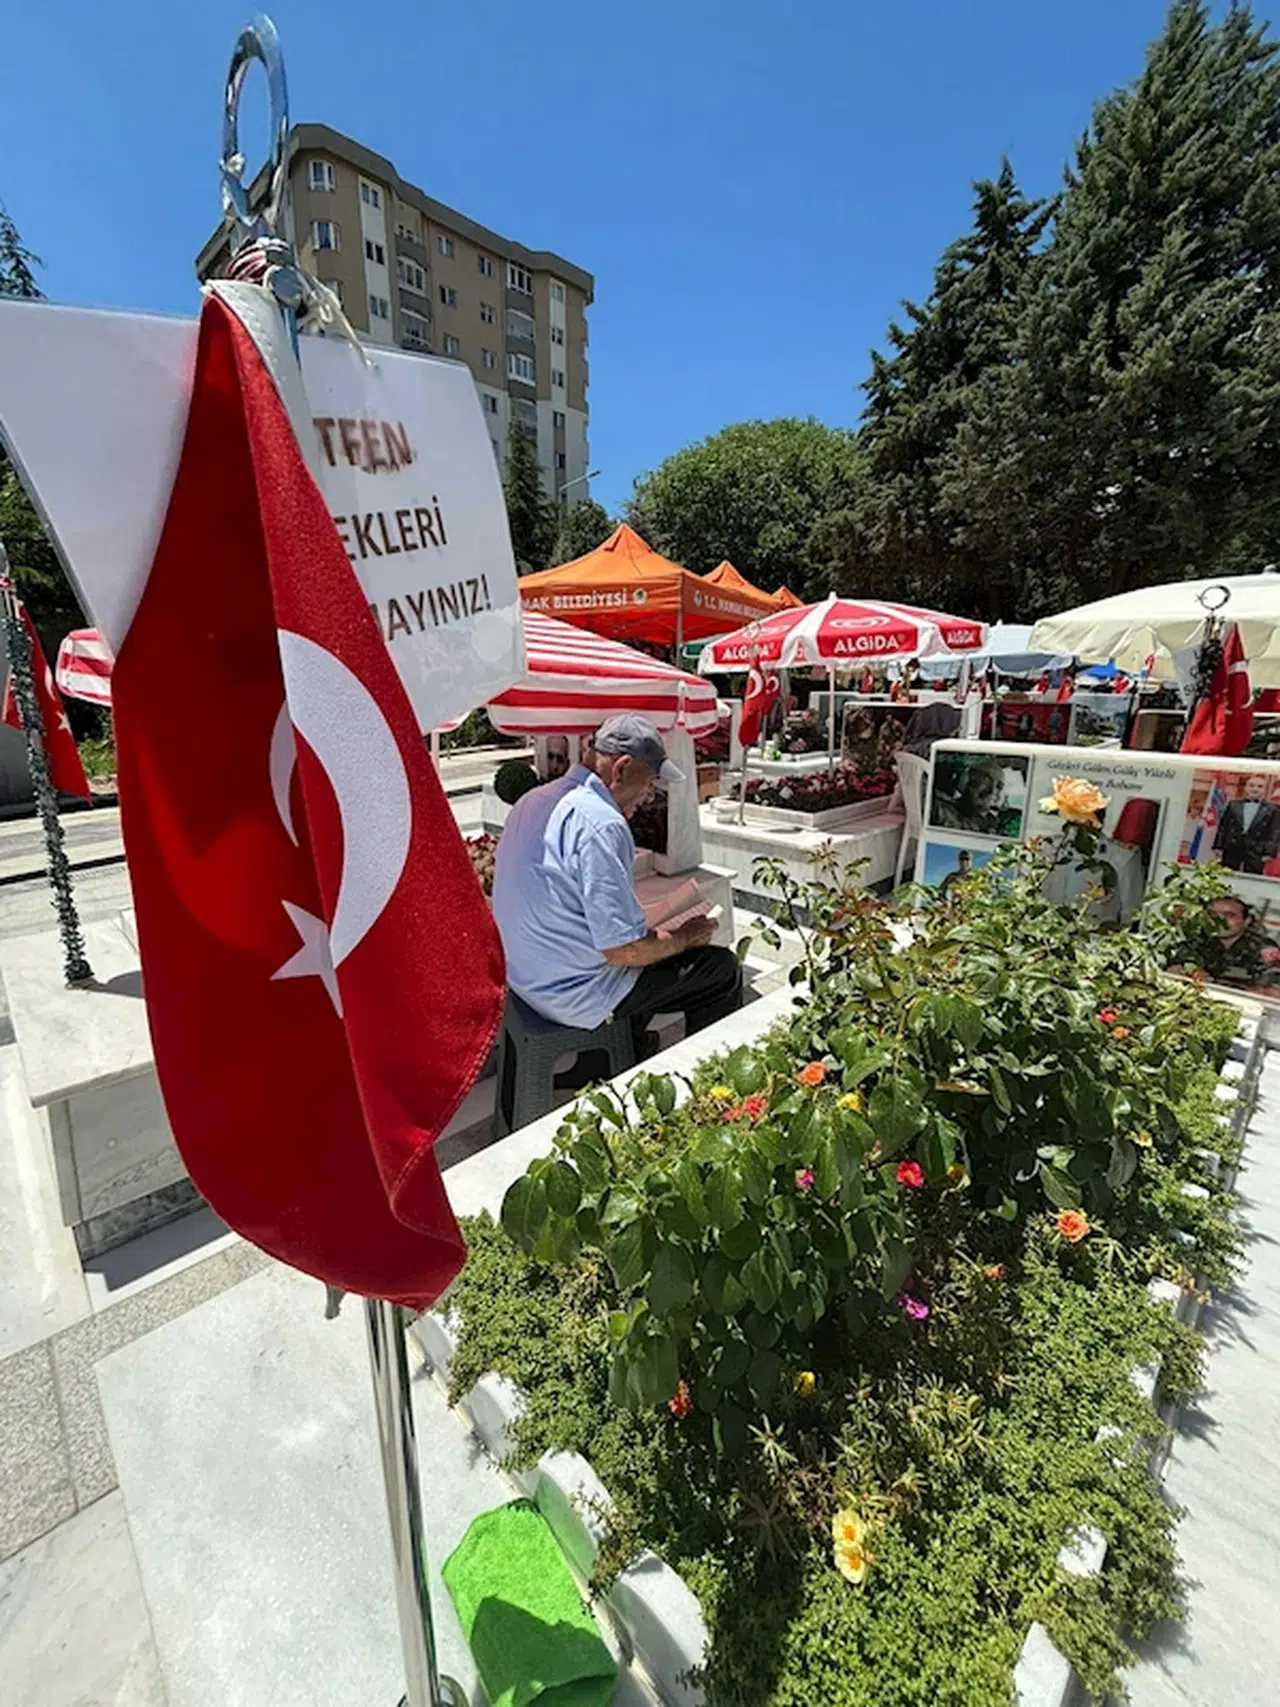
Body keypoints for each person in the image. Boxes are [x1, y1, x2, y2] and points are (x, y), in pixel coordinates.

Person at [492, 713, 743, 1062]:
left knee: (654, 952)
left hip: (526, 981)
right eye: (651, 782)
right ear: (621, 769)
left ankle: (620, 1053)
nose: (650, 795)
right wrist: (687, 937)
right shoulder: (601, 822)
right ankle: (710, 1076)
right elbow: (624, 951)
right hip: (574, 994)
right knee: (719, 969)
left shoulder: (534, 799)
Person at [1214, 772, 1280, 875]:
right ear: (1246, 788)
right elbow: (1223, 827)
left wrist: (1269, 852)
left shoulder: (1272, 809)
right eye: (1251, 785)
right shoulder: (1233, 805)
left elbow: (1274, 832)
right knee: (1226, 875)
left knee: (1253, 877)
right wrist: (1218, 846)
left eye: (1259, 786)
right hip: (1232, 846)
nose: (1255, 789)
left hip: (1257, 849)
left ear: (1264, 789)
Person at [932, 759, 1010, 836]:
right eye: (977, 782)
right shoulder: (940, 809)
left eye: (998, 787)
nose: (992, 792)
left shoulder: (994, 823)